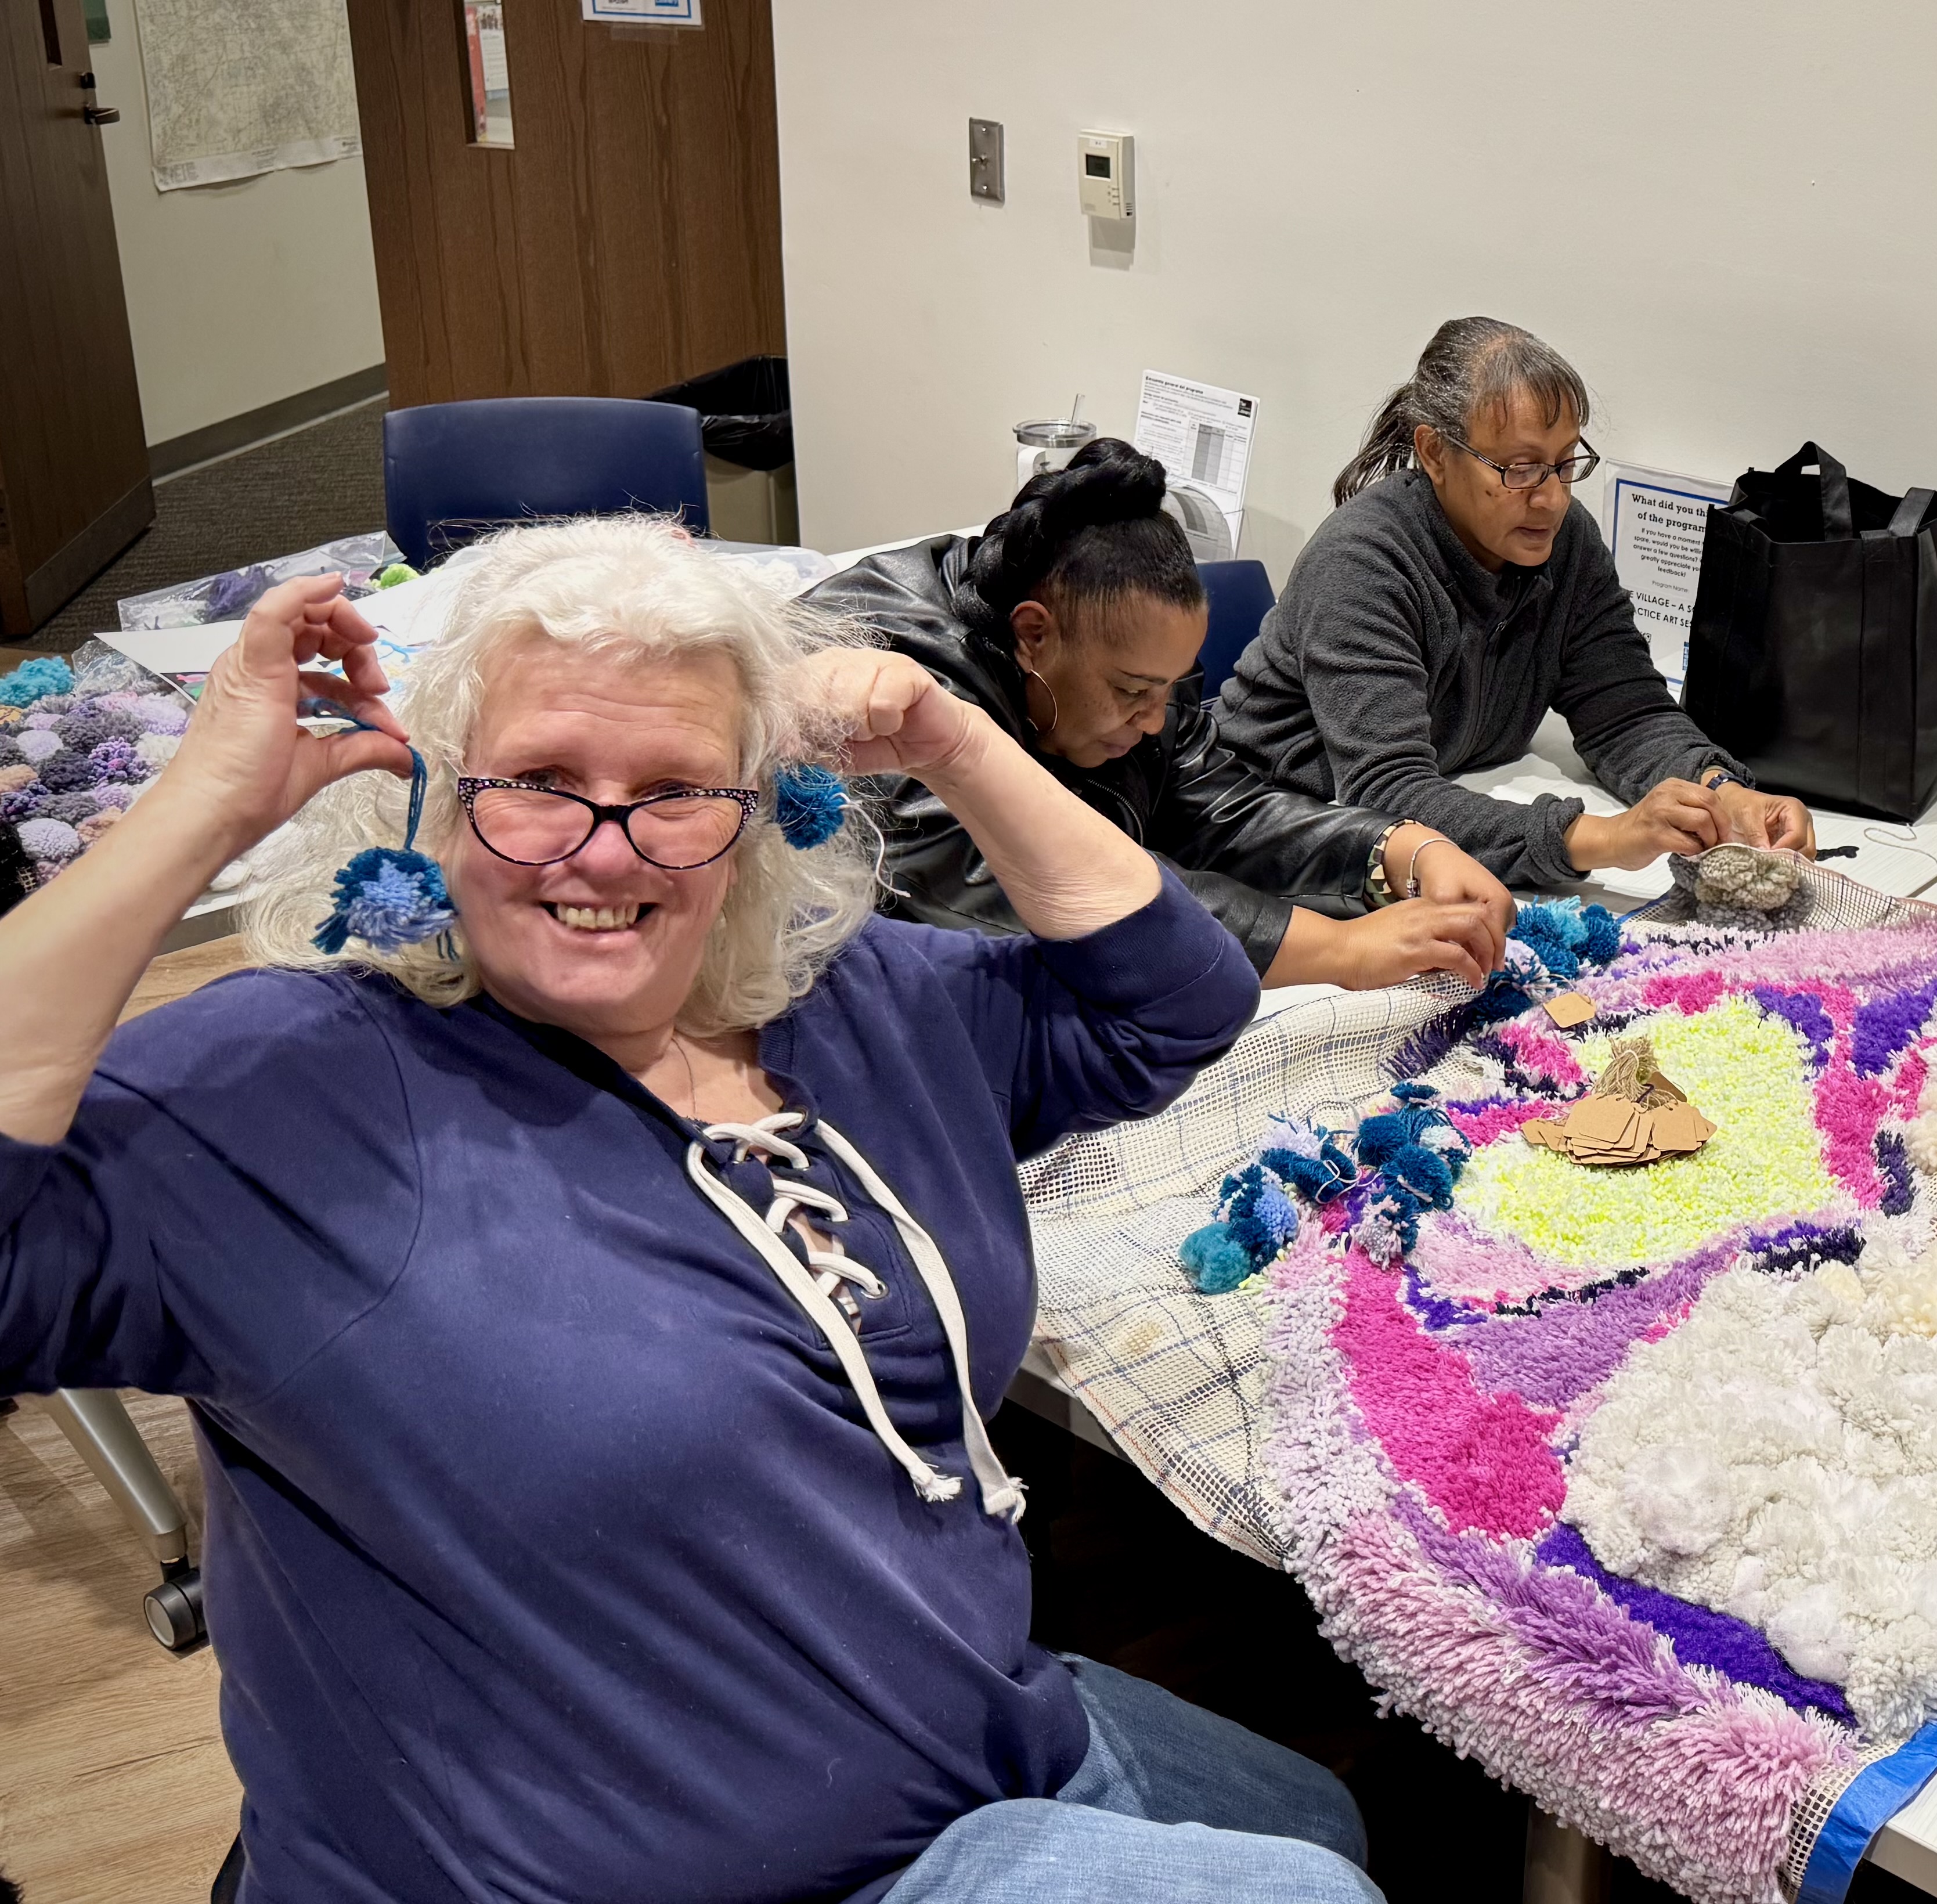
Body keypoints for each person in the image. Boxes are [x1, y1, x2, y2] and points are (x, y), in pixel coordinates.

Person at [0, 523, 1376, 1904]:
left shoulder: (845, 998)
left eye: (674, 789)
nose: (606, 852)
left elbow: (1175, 999)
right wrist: (202, 809)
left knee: (1319, 1814)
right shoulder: (294, 1095)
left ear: (757, 810)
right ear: (437, 794)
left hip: (957, 1726)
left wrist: (954, 740)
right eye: (539, 781)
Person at [809, 439, 1515, 989]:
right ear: (1033, 634)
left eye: (1169, 689)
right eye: (1131, 692)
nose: (1153, 720)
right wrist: (1338, 949)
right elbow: (1014, 881)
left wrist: (1395, 848)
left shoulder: (1128, 658)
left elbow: (1219, 809)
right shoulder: (883, 685)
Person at [1216, 316, 1815, 890]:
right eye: (1521, 469)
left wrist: (1720, 791)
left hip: (1435, 813)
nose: (1552, 499)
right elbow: (1387, 793)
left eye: (1565, 463)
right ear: (1435, 453)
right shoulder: (1362, 561)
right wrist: (1607, 838)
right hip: (1263, 827)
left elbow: (1627, 713)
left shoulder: (1565, 543)